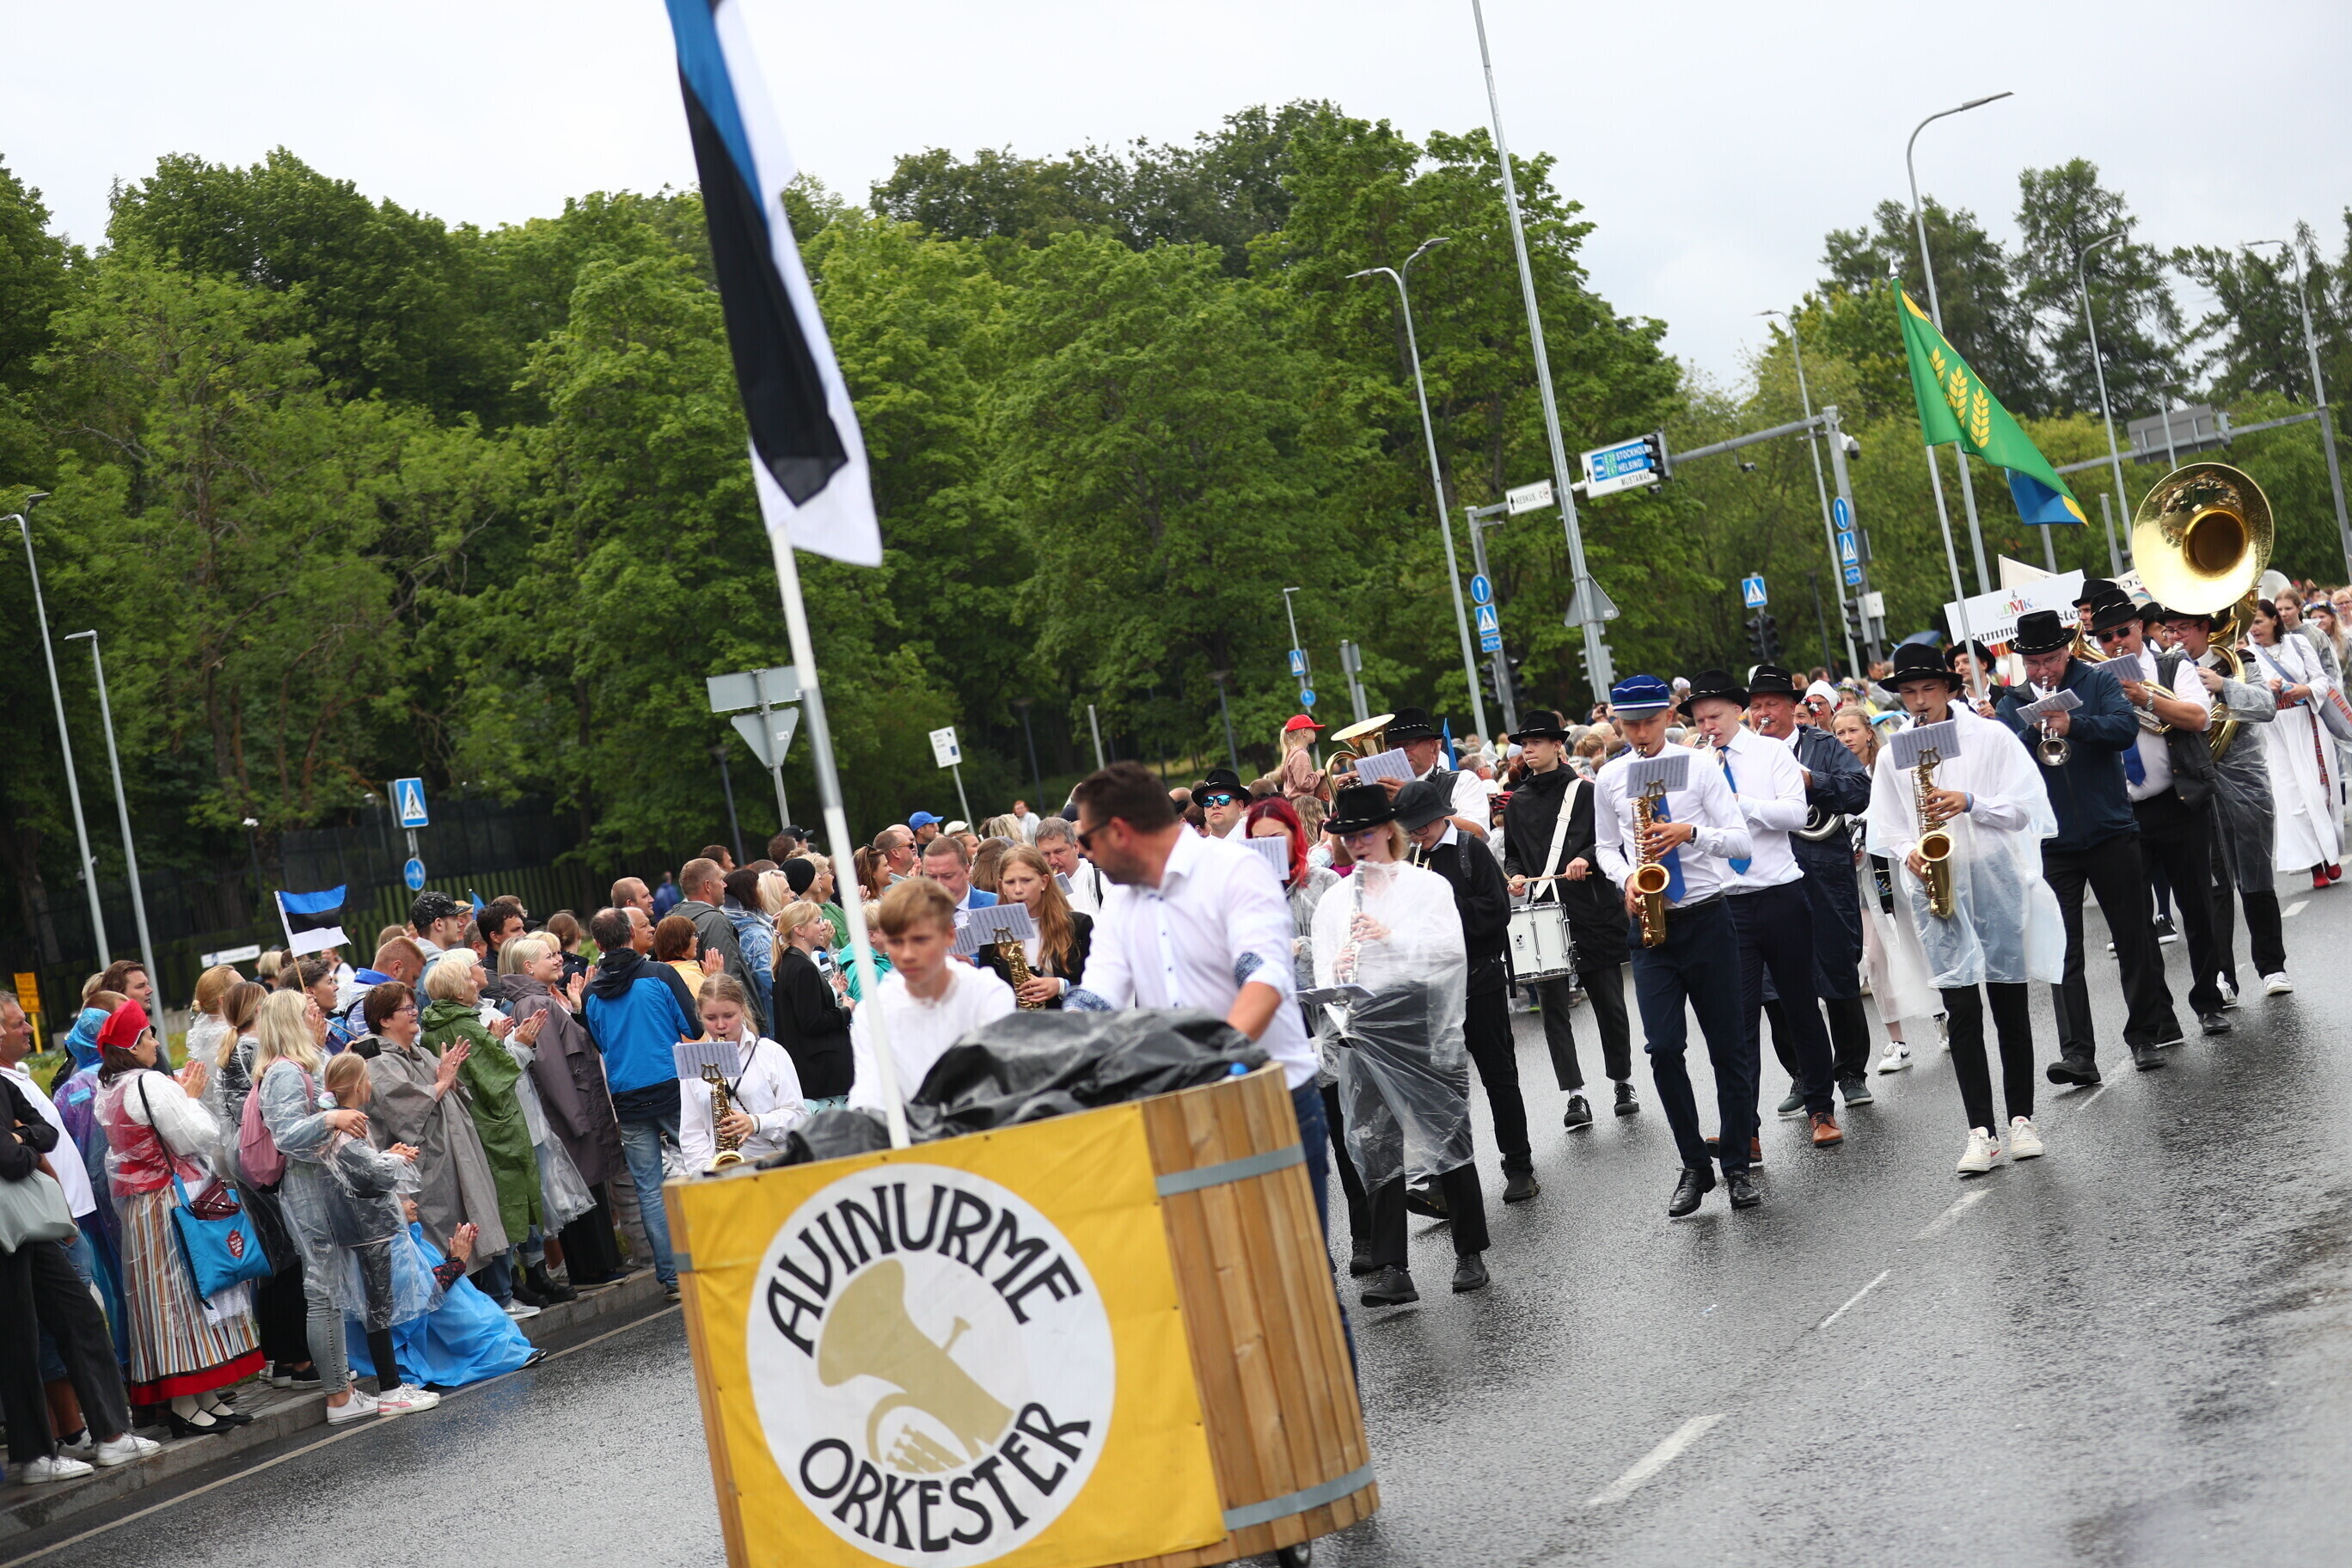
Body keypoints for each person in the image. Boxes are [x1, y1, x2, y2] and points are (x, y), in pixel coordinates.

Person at [1069, 762, 1331, 1242]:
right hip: (1183, 1110)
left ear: (1120, 831)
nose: (1083, 853)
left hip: (1270, 1097)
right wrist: (1052, 1057)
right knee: (1214, 1269)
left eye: (1086, 840)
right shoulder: (1120, 902)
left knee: (1299, 1273)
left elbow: (1263, 977)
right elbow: (1096, 997)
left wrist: (1208, 1061)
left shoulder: (1236, 869)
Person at [1868, 644, 2062, 1174]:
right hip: (1937, 884)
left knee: (2009, 1002)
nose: (1918, 701)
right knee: (1961, 1011)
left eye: (1928, 689)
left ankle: (2022, 1119)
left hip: (1994, 875)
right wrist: (1909, 851)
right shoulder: (1893, 752)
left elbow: (2025, 808)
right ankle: (1981, 1130)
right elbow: (1886, 825)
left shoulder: (1990, 736)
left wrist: (1971, 802)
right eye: (1909, 692)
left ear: (1950, 689)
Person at [1312, 782, 1490, 1302]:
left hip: (1420, 1017)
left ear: (1389, 832)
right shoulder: (1334, 900)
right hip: (1361, 1023)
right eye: (1349, 837)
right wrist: (1338, 968)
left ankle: (1470, 1252)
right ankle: (1393, 1267)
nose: (1358, 845)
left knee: (1447, 1130)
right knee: (1375, 1142)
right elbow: (1324, 967)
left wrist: (1391, 938)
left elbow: (1449, 954)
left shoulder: (1427, 886)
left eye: (1366, 834)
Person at [1590, 675, 1759, 1217]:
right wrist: (1626, 878)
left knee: (1728, 1048)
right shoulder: (1610, 776)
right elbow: (1604, 847)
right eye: (1630, 725)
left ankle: (1737, 1166)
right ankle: (1694, 1164)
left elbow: (1740, 842)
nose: (1640, 733)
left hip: (1707, 918)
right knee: (1663, 1048)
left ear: (1668, 716)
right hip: (1650, 927)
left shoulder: (1700, 765)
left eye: (1649, 722)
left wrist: (1691, 833)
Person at [1994, 609, 2184, 1081]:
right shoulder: (2010, 702)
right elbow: (2004, 766)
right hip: (2052, 842)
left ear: (2066, 652)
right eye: (2034, 663)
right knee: (2063, 948)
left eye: (2051, 660)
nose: (2043, 670)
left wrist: (2073, 725)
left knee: (2134, 937)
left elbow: (2124, 729)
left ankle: (2144, 1036)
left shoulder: (2097, 680)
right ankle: (2078, 1054)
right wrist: (2030, 731)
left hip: (2110, 830)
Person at [254, 993, 438, 1423]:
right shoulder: (284, 1071)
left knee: (329, 1292)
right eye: (309, 1012)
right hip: (307, 1191)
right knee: (322, 1292)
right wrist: (330, 1118)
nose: (318, 1017)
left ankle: (344, 1392)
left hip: (318, 1187)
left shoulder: (297, 1066)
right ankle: (338, 1396)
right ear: (290, 1021)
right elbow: (286, 1135)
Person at [0, 995, 161, 1478]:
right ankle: (34, 1455)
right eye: (15, 1023)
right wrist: (23, 1143)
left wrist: (21, 1137)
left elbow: (43, 1133)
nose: (26, 1029)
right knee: (19, 1340)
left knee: (82, 1318)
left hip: (35, 1225)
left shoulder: (8, 1081)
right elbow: (9, 1159)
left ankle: (112, 1435)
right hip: (10, 1229)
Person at [1683, 669, 1844, 1151]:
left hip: (1780, 895)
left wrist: (1737, 803)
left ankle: (1821, 1109)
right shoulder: (1696, 765)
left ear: (1738, 711)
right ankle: (1744, 1129)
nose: (1708, 726)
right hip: (1726, 903)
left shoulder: (1771, 753)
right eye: (1699, 719)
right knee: (1737, 1021)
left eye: (1715, 716)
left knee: (1800, 1007)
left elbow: (1795, 814)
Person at [92, 1001, 264, 1433]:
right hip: (173, 1199)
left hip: (142, 1204)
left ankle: (201, 1397)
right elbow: (197, 1136)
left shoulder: (110, 1088)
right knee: (187, 1293)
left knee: (164, 1297)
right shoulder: (150, 1082)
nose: (155, 1042)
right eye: (148, 1035)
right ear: (133, 1045)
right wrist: (189, 1098)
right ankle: (188, 1404)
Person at [2073, 591, 2230, 1037]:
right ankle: (2160, 1019)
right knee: (2135, 924)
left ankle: (2208, 1002)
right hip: (2121, 816)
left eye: (2123, 631)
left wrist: (2146, 698)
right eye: (2105, 637)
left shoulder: (2172, 666)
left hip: (2178, 803)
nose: (2116, 643)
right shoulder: (2090, 682)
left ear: (2140, 627)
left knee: (2197, 907)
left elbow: (2199, 718)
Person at [1745, 666, 1878, 1109]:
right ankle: (1802, 1075)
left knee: (1837, 970)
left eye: (1773, 703)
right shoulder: (1741, 755)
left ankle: (1851, 1072)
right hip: (1768, 877)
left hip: (1823, 873)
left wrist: (1810, 780)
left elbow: (1859, 791)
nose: (1764, 713)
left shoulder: (1821, 745)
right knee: (1774, 987)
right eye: (1756, 705)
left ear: (1792, 707)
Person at [1398, 776, 1533, 1205]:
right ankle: (1443, 1177)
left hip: (1479, 978)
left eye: (1422, 825)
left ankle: (1519, 1165)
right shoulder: (1411, 858)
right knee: (1440, 1087)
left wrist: (1441, 907)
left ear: (1442, 817)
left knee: (1498, 1076)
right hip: (1435, 987)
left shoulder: (1470, 849)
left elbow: (1497, 911)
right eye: (1410, 827)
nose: (1417, 833)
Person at [1503, 709, 1637, 1128]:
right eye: (1524, 743)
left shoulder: (1586, 792)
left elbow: (1609, 842)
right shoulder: (1516, 802)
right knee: (1553, 1011)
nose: (1527, 749)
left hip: (1592, 909)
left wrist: (1586, 857)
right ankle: (1574, 1095)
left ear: (1557, 746)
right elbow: (1512, 855)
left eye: (1536, 742)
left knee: (1610, 1005)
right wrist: (1514, 876)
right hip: (1543, 914)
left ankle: (1623, 1082)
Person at [349, 983, 512, 1295]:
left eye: (414, 1006)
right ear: (385, 1020)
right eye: (406, 1009)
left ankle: (487, 1301)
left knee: (468, 1232)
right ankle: (461, 1308)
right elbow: (403, 1108)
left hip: (454, 1155)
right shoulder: (378, 1060)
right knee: (440, 1240)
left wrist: (450, 1079)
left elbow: (452, 1091)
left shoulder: (419, 1052)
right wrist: (443, 1081)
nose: (415, 1013)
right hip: (425, 1168)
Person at [2166, 607, 2288, 996]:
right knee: (2213, 882)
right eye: (2169, 630)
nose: (2175, 637)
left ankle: (2272, 967)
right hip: (2195, 783)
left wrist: (2222, 685)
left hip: (2245, 780)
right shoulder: (2165, 671)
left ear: (2204, 627)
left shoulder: (2237, 662)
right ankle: (2222, 976)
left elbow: (2266, 706)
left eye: (2183, 628)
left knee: (2256, 875)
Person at [581, 908, 701, 1299]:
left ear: (598, 944)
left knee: (648, 1189)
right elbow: (693, 1026)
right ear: (631, 935)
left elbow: (600, 1043)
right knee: (700, 1166)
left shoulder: (590, 993)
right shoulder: (660, 974)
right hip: (671, 1086)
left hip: (627, 1097)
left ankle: (672, 1277)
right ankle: (711, 1252)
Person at [420, 953, 545, 1315]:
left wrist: (494, 1042)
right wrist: (521, 1044)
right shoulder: (465, 1025)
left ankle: (500, 1293)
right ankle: (502, 1295)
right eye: (469, 979)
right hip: (492, 1129)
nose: (476, 983)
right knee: (499, 1209)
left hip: (469, 1128)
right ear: (458, 991)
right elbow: (497, 1077)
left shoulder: (435, 1025)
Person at [503, 937, 628, 1289]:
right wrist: (575, 1117)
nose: (559, 960)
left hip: (576, 1107)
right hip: (572, 1112)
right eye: (550, 956)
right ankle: (592, 1268)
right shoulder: (534, 1003)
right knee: (582, 1190)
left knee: (587, 1188)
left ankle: (599, 1265)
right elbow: (551, 1066)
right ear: (529, 967)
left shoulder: (540, 998)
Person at [1831, 706, 1944, 1071]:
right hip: (1862, 878)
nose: (1846, 738)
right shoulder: (1835, 777)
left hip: (1897, 869)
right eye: (1839, 733)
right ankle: (1897, 1042)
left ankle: (1942, 1019)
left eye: (1852, 730)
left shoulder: (1887, 767)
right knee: (1875, 959)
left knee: (1918, 942)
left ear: (1869, 732)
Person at [848, 880, 1017, 1114]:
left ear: (949, 935)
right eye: (896, 942)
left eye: (920, 940)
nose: (907, 954)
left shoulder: (987, 994)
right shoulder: (872, 1013)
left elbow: (1000, 1082)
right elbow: (871, 1093)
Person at [2243, 598, 2342, 891]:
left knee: (2320, 791)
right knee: (2292, 799)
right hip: (2275, 731)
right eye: (2250, 624)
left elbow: (2322, 680)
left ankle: (2330, 854)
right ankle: (2315, 866)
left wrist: (2305, 689)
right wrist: (2265, 689)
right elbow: (2245, 694)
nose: (2254, 628)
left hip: (2307, 721)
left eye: (2258, 621)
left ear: (2274, 619)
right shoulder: (2246, 656)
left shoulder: (2299, 644)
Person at [678, 974, 811, 1170]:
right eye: (711, 1018)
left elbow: (799, 1117)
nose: (720, 1025)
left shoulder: (771, 1053)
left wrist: (756, 1123)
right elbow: (691, 1133)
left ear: (742, 1009)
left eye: (729, 1016)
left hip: (774, 1166)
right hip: (721, 1173)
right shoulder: (694, 1060)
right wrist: (708, 1172)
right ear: (700, 1015)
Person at [1345, 706, 1489, 840]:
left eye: (1409, 744)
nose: (1400, 752)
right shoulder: (1379, 792)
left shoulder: (1463, 780)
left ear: (1431, 745)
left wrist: (1412, 802)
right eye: (1394, 746)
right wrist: (1347, 803)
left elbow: (1477, 834)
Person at [977, 846, 1093, 1007]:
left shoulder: (1079, 925)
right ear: (1001, 885)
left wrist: (1061, 986)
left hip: (1069, 1019)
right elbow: (987, 993)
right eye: (1010, 882)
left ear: (1044, 882)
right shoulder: (994, 930)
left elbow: (1099, 987)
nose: (1018, 890)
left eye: (1026, 880)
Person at [770, 898, 854, 1111]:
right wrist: (846, 1011)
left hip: (812, 1071)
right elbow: (812, 1022)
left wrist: (833, 991)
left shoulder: (790, 962)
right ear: (799, 930)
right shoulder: (801, 967)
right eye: (817, 921)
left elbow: (805, 1008)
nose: (823, 926)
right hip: (819, 1074)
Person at [673, 859, 765, 1033]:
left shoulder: (672, 919)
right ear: (708, 886)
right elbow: (727, 979)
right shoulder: (714, 921)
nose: (725, 885)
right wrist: (746, 1025)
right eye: (721, 879)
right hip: (730, 1027)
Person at [722, 866, 778, 1024]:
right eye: (758, 887)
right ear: (748, 892)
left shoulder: (734, 924)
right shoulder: (755, 935)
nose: (762, 892)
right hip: (770, 1013)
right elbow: (770, 978)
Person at [1036, 817, 1109, 917]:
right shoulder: (1036, 889)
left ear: (1076, 847)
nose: (1053, 861)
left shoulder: (1104, 881)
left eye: (1059, 851)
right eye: (1045, 854)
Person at [408, 891, 473, 975]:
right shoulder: (442, 969)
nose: (459, 924)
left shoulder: (410, 966)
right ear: (439, 924)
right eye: (454, 919)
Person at [655, 914, 718, 997]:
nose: (697, 940)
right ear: (682, 940)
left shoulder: (656, 974)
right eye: (694, 935)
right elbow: (710, 1003)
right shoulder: (690, 976)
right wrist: (715, 980)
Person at [1278, 715, 1330, 807]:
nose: (1315, 733)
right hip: (1303, 805)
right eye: (1313, 730)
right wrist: (1317, 775)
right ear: (1304, 732)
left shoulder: (1293, 753)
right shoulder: (1301, 755)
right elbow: (1304, 784)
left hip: (1297, 804)